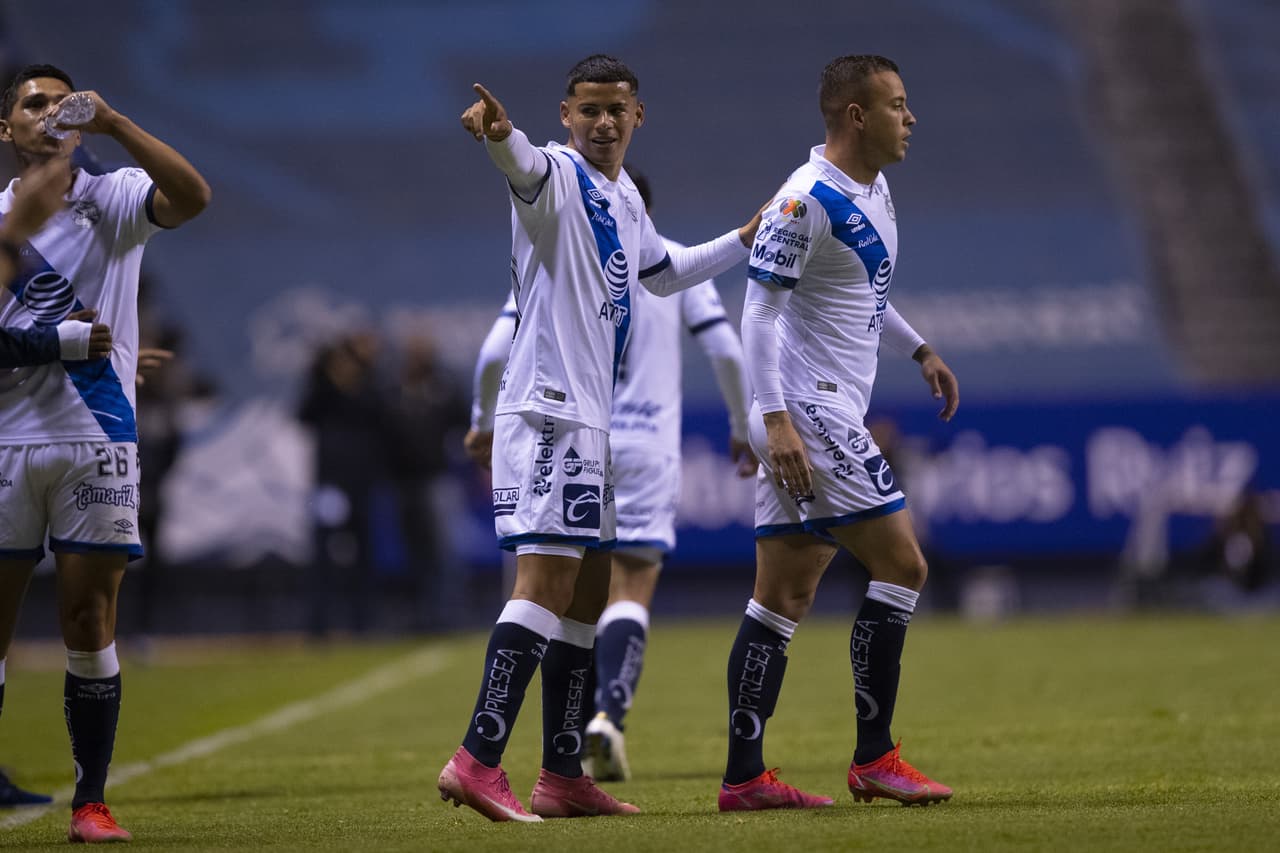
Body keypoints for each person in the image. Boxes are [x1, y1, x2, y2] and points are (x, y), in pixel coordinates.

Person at [439, 54, 760, 822]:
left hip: (594, 423)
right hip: (552, 411)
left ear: (637, 116)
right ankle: (478, 759)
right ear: (565, 115)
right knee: (545, 586)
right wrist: (497, 135)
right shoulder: (553, 173)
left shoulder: (623, 200)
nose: (604, 122)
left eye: (617, 109)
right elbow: (517, 161)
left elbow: (666, 271)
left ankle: (562, 774)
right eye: (589, 109)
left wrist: (744, 237)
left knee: (585, 596)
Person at [718, 55, 959, 812]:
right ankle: (874, 756)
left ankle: (745, 777)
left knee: (781, 596)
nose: (910, 116)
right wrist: (776, 419)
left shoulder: (874, 190)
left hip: (823, 411)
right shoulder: (806, 199)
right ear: (856, 115)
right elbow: (757, 311)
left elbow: (863, 291)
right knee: (904, 564)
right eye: (897, 104)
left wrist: (919, 347)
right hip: (809, 411)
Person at [0, 63, 210, 843]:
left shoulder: (115, 196)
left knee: (89, 618)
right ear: (6, 129)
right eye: (32, 102)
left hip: (95, 440)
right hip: (8, 441)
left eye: (62, 100)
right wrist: (66, 340)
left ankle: (91, 801)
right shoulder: (0, 221)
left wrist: (120, 123)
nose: (49, 111)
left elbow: (193, 197)